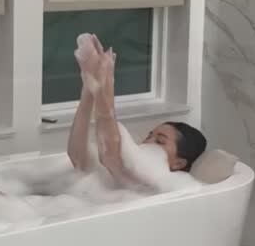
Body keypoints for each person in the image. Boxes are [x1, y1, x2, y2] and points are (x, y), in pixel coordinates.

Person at [69, 33, 206, 187]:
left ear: (178, 163)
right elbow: (78, 160)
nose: (149, 141)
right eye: (149, 136)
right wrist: (88, 88)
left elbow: (110, 156)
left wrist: (105, 86)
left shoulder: (160, 182)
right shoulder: (126, 175)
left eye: (160, 142)